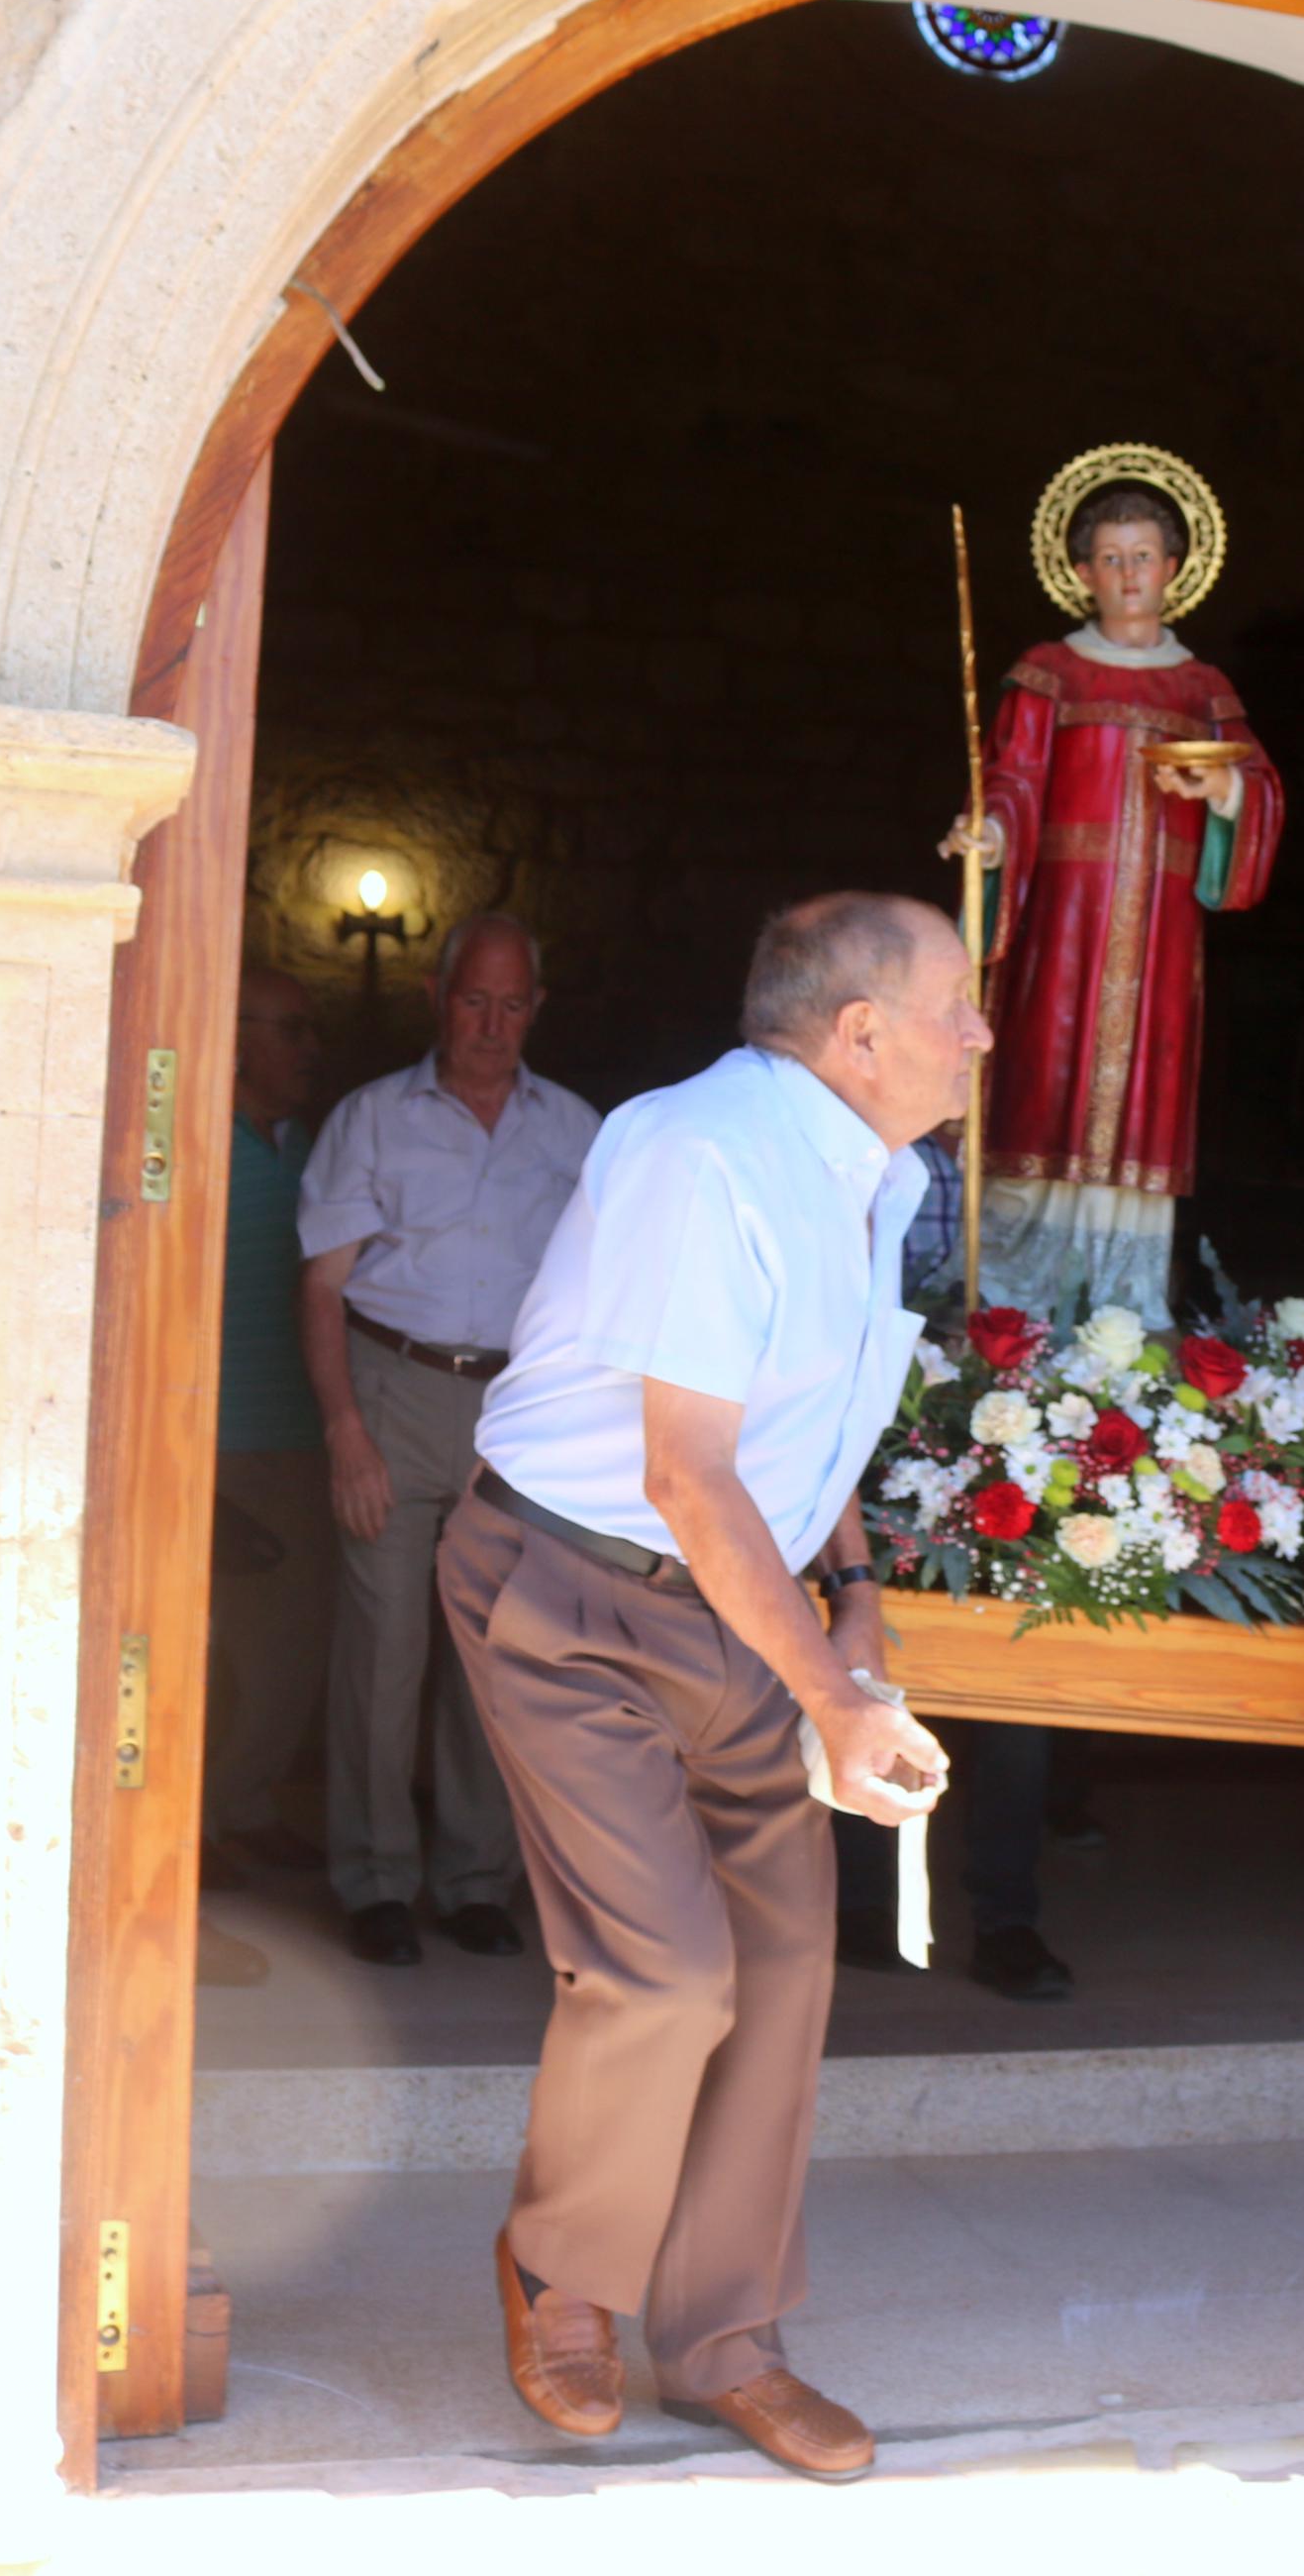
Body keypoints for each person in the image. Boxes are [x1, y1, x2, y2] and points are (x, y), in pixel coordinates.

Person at [438, 891, 976, 2483]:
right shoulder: (700, 1151)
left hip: (741, 1603)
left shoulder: (888, 1175)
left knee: (787, 1967)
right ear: (859, 1032)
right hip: (570, 1588)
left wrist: (855, 1617)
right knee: (665, 1972)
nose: (981, 1032)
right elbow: (685, 1472)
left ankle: (726, 2337)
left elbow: (810, 1426)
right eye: (959, 1002)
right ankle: (561, 2268)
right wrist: (831, 1698)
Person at [297, 912, 597, 1966]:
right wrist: (344, 1434)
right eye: (475, 998)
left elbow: (603, 1291)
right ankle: (375, 1878)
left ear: (536, 1010)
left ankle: (475, 1879)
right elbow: (323, 1287)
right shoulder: (373, 1119)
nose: (492, 1023)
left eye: (513, 1004)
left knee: (493, 1648)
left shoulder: (574, 1130)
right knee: (381, 1648)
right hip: (391, 1387)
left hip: (515, 1411)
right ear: (437, 993)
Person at [946, 465, 1284, 1316]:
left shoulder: (1202, 689)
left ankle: (1122, 1320)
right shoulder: (1048, 671)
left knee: (1144, 1096)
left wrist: (1225, 794)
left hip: (1162, 942)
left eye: (1143, 554)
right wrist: (988, 834)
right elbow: (1013, 780)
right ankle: (1006, 1314)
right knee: (1039, 1078)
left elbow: (1261, 788)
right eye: (1109, 557)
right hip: (1061, 923)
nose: (1129, 573)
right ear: (1082, 571)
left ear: (1173, 565)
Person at [838, 1124, 1070, 2000]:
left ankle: (1006, 1917)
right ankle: (863, 1896)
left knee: (1016, 1690)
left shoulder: (1056, 1169)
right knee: (874, 1664)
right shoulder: (875, 1156)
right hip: (897, 1426)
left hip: (1016, 1444)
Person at [201, 966, 333, 1897]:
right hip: (218, 1436)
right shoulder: (193, 1140)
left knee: (292, 1651)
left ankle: (243, 1807)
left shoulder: (308, 1146)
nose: (306, 1048)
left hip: (304, 1433)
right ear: (235, 1032)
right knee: (220, 1652)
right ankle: (192, 1819)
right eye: (288, 1029)